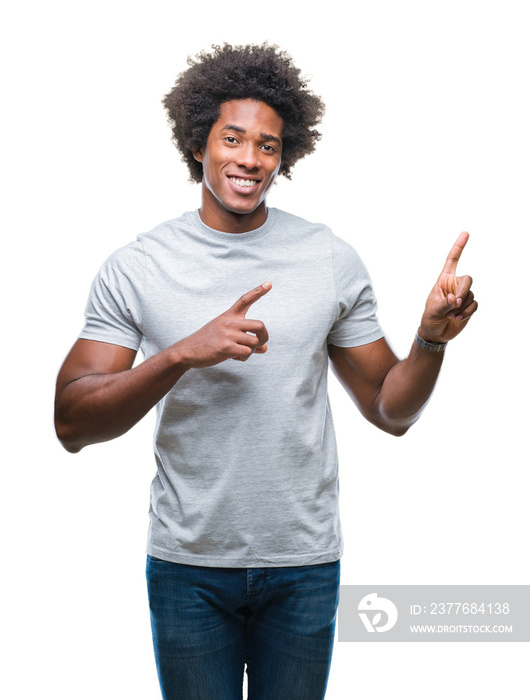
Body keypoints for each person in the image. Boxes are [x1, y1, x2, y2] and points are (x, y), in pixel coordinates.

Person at [54, 43, 477, 700]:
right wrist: (180, 354)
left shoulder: (328, 258)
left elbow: (390, 411)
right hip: (188, 568)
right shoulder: (138, 265)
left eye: (269, 147)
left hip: (303, 567)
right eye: (233, 139)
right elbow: (71, 421)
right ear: (199, 143)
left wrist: (429, 341)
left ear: (285, 157)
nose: (250, 159)